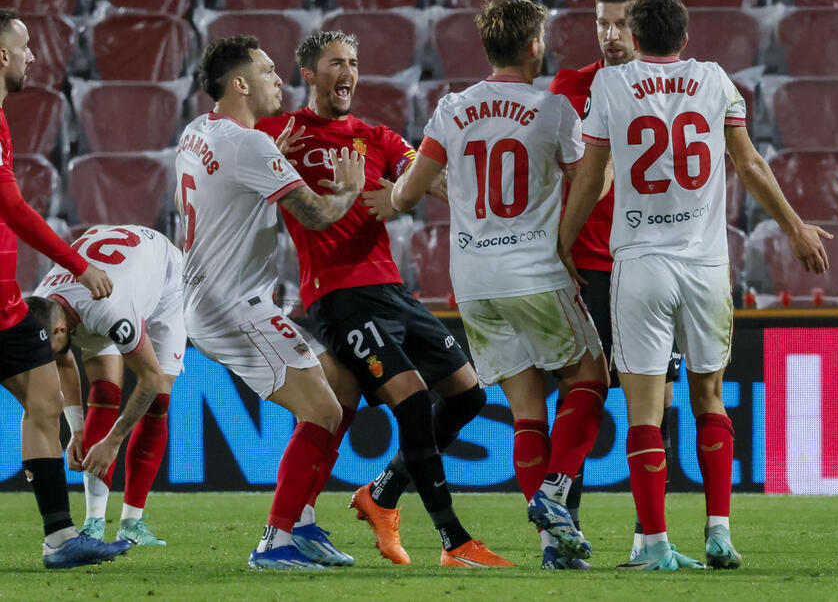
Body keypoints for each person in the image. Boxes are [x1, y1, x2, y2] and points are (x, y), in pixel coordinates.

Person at [560, 0, 832, 570]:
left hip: (639, 264)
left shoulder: (611, 86)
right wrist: (795, 227)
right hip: (707, 265)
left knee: (643, 411)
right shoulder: (714, 79)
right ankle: (719, 533)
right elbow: (751, 163)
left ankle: (655, 544)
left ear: (634, 37)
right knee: (709, 398)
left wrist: (563, 243)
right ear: (684, 39)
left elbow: (589, 178)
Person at [257, 30, 510, 568]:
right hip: (337, 295)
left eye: (353, 61)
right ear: (308, 74)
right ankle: (453, 540)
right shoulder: (281, 133)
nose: (347, 72)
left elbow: (431, 177)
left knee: (468, 397)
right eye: (334, 63)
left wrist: (413, 191)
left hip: (392, 291)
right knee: (414, 401)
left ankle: (383, 493)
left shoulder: (375, 137)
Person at [387, 0, 613, 570]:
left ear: (487, 49)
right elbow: (591, 186)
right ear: (534, 46)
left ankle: (554, 550)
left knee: (527, 410)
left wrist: (390, 195)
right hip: (533, 269)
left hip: (472, 281)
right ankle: (556, 491)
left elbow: (409, 195)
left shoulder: (452, 109)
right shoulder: (554, 109)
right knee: (591, 376)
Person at [176, 34, 365, 570]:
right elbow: (317, 215)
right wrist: (349, 188)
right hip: (234, 304)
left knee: (343, 386)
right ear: (239, 84)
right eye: (266, 71)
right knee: (324, 409)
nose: (277, 80)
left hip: (211, 298)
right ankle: (276, 540)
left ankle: (302, 525)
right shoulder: (249, 145)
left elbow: (181, 199)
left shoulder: (198, 133)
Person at [548, 0, 683, 557]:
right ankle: (564, 528)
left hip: (647, 261)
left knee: (656, 402)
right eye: (601, 22)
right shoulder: (570, 87)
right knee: (584, 390)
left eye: (620, 22)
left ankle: (645, 536)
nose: (609, 33)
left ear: (641, 27)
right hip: (587, 265)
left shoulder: (669, 90)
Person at [0, 7, 130, 569]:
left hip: (5, 306)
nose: (33, 56)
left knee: (45, 401)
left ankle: (59, 539)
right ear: (1, 55)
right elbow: (11, 207)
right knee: (43, 402)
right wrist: (77, 265)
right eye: (24, 46)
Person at [27, 224, 185, 547]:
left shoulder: (108, 308)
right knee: (104, 394)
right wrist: (77, 430)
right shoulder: (43, 305)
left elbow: (150, 378)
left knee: (159, 400)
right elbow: (62, 359)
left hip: (164, 277)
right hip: (103, 280)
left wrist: (113, 441)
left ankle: (131, 522)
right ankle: (93, 523)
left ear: (60, 329)